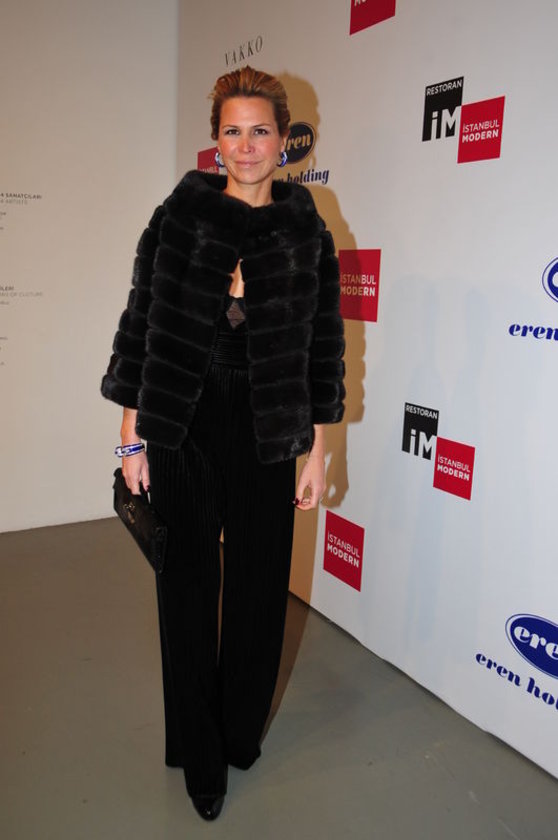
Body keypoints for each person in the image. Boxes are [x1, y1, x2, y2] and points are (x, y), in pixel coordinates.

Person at [101, 66, 345, 822]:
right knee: (185, 587)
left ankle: (239, 733)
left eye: (260, 130)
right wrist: (131, 435)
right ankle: (199, 755)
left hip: (269, 429)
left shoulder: (306, 231)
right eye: (232, 131)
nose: (246, 145)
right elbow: (141, 323)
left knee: (259, 590)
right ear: (216, 142)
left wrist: (319, 448)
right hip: (184, 419)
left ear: (285, 139)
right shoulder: (178, 218)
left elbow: (324, 349)